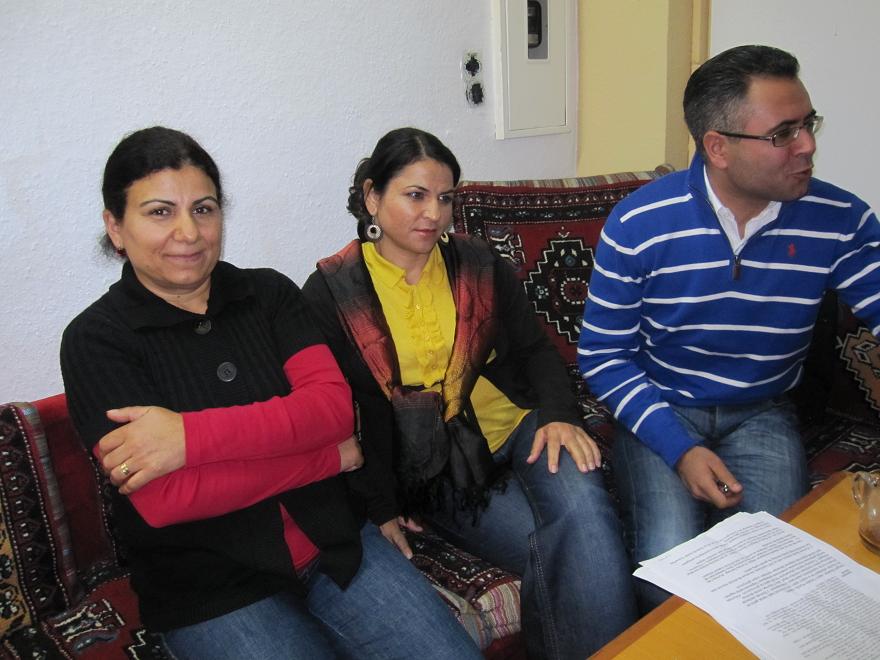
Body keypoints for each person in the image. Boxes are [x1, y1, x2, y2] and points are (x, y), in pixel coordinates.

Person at [60, 126, 482, 659]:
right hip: (210, 588)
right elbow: (165, 500)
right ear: (116, 227)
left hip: (336, 544)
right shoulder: (96, 340)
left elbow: (331, 411)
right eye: (160, 212)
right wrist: (326, 459)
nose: (189, 232)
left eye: (204, 209)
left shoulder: (269, 294)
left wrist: (187, 438)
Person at [302, 127, 638, 659]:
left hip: (521, 426)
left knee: (588, 516)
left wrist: (559, 414)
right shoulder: (332, 292)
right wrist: (381, 507)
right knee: (556, 549)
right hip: (437, 468)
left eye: (445, 198)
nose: (433, 214)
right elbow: (345, 413)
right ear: (372, 196)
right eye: (416, 195)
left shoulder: (477, 264)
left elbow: (534, 350)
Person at [577, 44, 880, 611]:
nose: (808, 145)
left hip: (763, 411)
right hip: (661, 407)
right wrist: (680, 448)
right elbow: (604, 356)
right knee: (668, 575)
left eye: (808, 123)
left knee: (772, 573)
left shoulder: (840, 219)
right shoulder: (641, 224)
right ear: (717, 146)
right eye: (783, 133)